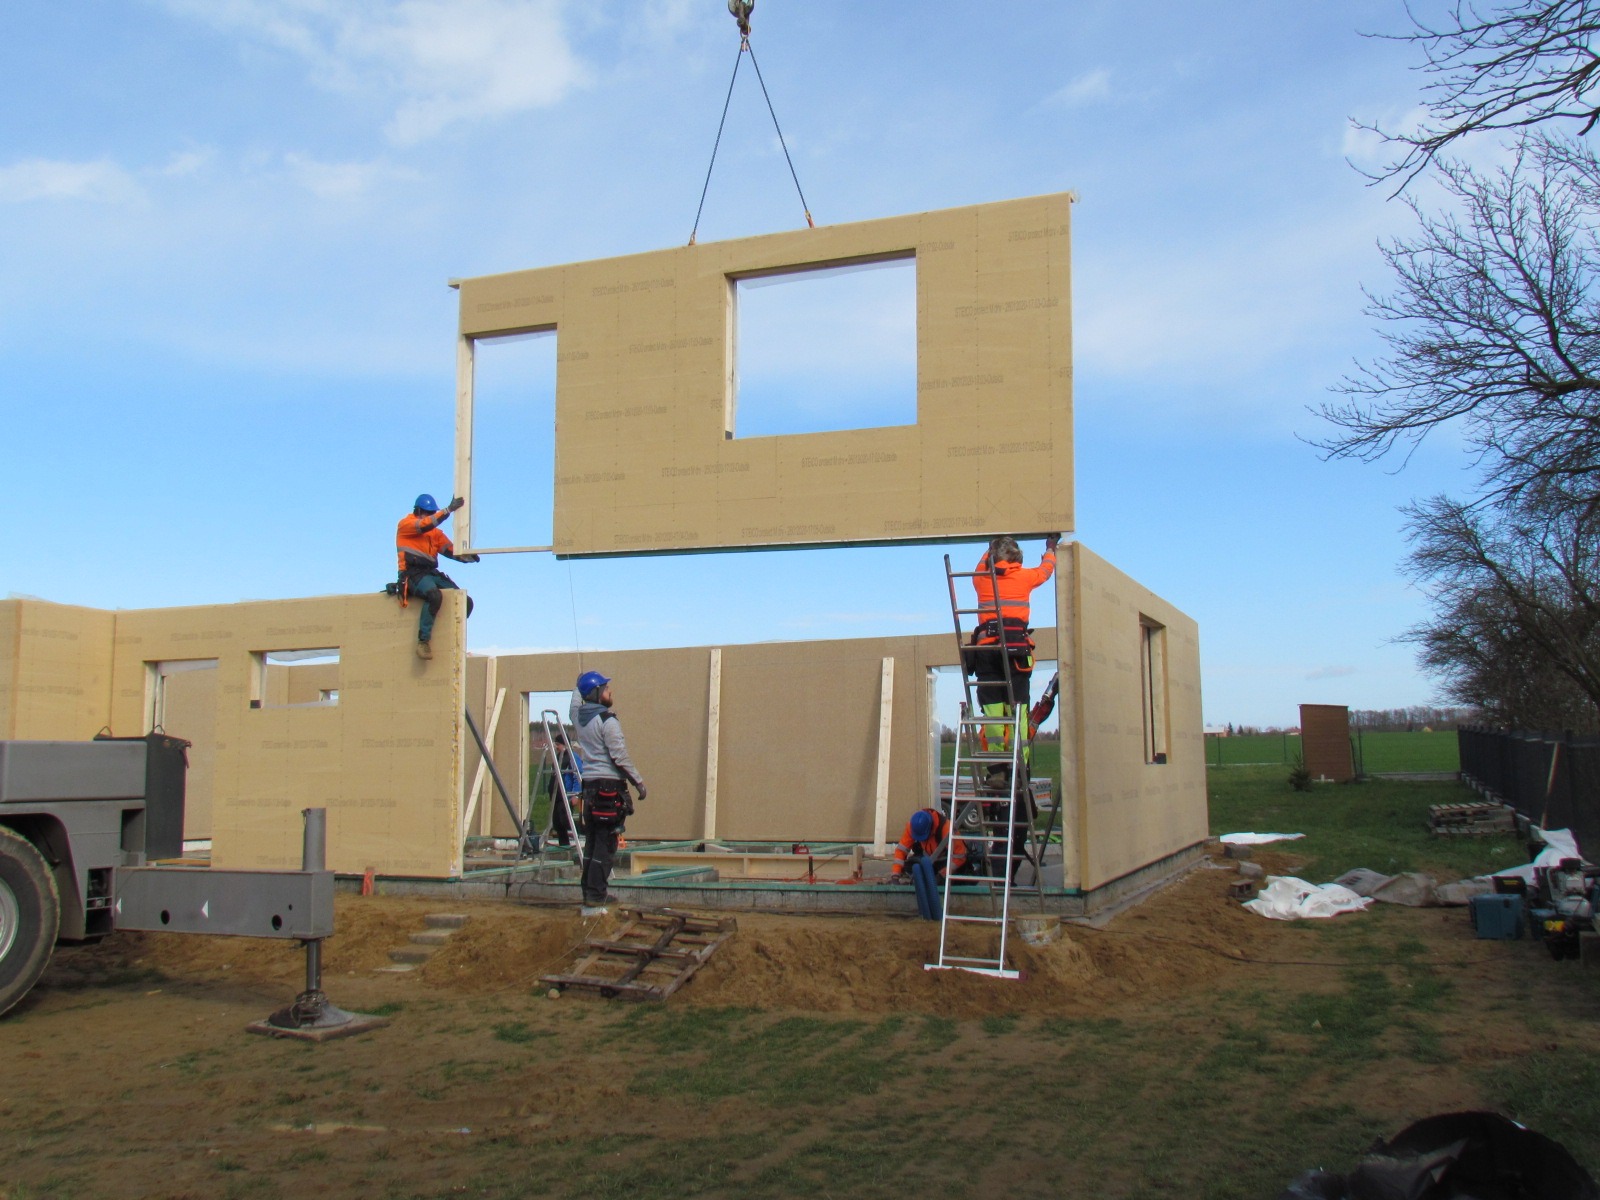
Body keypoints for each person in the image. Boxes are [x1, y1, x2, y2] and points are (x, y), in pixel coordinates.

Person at [969, 533, 1058, 880]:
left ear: (993, 559)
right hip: (1018, 654)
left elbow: (980, 564)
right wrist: (1050, 547)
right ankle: (1017, 763)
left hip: (988, 652)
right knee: (1018, 712)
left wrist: (988, 546)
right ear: (1017, 561)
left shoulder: (982, 580)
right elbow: (1047, 570)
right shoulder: (1026, 576)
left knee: (992, 713)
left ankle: (997, 769)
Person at [570, 670, 647, 916]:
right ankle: (595, 896)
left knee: (593, 842)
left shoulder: (578, 717)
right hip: (608, 788)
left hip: (590, 787)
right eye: (605, 688)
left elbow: (574, 701)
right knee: (606, 844)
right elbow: (619, 757)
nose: (610, 691)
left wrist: (577, 684)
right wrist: (639, 782)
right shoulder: (607, 721)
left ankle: (591, 892)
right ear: (596, 694)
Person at [395, 493, 479, 659]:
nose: (429, 515)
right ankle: (423, 641)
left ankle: (453, 639)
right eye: (427, 512)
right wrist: (448, 510)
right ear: (418, 511)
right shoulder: (406, 525)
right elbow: (425, 524)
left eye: (431, 512)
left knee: (465, 602)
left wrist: (467, 556)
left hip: (430, 573)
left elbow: (450, 550)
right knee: (434, 595)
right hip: (412, 573)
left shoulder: (435, 534)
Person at [890, 807, 968, 920]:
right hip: (928, 861)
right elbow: (901, 850)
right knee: (911, 866)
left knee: (950, 880)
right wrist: (895, 875)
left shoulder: (947, 829)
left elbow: (960, 856)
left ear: (931, 828)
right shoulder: (913, 826)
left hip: (946, 862)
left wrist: (943, 874)